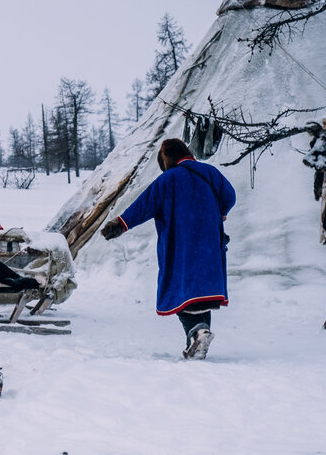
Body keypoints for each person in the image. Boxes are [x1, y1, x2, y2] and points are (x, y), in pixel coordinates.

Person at [101, 138, 236, 359]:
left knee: (179, 289)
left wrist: (120, 224)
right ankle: (198, 340)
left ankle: (197, 334)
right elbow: (229, 195)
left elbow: (143, 205)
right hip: (210, 243)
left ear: (166, 159)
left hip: (180, 245)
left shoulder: (167, 180)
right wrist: (218, 216)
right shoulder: (210, 173)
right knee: (204, 294)